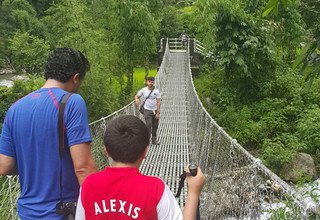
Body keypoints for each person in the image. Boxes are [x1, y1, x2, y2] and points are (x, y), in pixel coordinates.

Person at [0, 48, 97, 219]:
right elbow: (83, 168)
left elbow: (4, 166)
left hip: (27, 213)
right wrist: (99, 207)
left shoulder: (15, 109)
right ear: (75, 78)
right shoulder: (71, 102)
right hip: (62, 212)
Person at [75, 115, 205, 220]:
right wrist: (193, 192)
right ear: (146, 152)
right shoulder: (156, 189)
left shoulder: (88, 185)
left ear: (106, 151)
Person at [134, 76, 161, 145]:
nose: (150, 83)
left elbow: (158, 102)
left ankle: (154, 140)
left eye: (152, 82)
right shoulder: (143, 90)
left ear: (153, 83)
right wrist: (137, 99)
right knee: (148, 125)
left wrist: (158, 113)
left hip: (154, 110)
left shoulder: (156, 91)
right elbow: (137, 96)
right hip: (147, 110)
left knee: (155, 126)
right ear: (147, 82)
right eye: (149, 82)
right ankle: (147, 140)